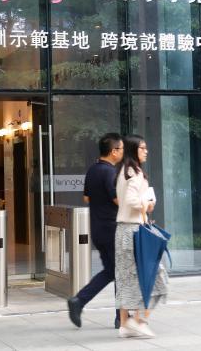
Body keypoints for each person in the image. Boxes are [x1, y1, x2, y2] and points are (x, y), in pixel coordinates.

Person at [67, 133, 124, 329]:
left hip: (98, 228)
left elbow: (86, 198)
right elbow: (118, 200)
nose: (123, 153)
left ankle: (80, 301)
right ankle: (121, 317)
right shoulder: (110, 172)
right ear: (114, 151)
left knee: (111, 271)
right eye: (121, 149)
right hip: (112, 229)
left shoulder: (92, 170)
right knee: (121, 272)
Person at [114, 134, 167, 339]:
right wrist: (148, 204)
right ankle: (139, 321)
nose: (146, 151)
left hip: (123, 231)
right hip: (135, 232)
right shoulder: (135, 173)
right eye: (142, 148)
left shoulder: (122, 171)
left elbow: (123, 201)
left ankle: (125, 324)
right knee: (155, 275)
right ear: (133, 150)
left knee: (126, 278)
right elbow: (132, 201)